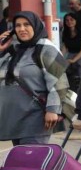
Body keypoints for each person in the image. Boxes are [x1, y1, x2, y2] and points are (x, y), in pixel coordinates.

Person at [0, 11, 69, 145]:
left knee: (32, 156)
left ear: (35, 26)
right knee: (20, 158)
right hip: (14, 118)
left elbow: (59, 82)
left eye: (27, 24)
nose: (22, 29)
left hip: (36, 118)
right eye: (18, 25)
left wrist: (52, 110)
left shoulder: (46, 48)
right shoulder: (13, 50)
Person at [61, 13, 81, 91]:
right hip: (70, 54)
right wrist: (60, 57)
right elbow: (65, 47)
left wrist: (73, 60)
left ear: (76, 20)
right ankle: (66, 88)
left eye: (71, 19)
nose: (69, 22)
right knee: (61, 67)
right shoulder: (65, 32)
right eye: (67, 20)